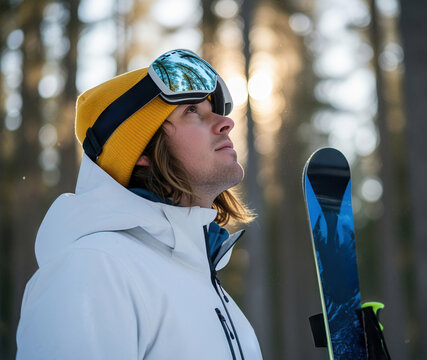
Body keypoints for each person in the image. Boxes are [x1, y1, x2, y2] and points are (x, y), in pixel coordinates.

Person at [16, 49, 263, 360]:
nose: (226, 122)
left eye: (214, 110)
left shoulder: (213, 292)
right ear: (143, 152)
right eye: (191, 111)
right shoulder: (94, 269)